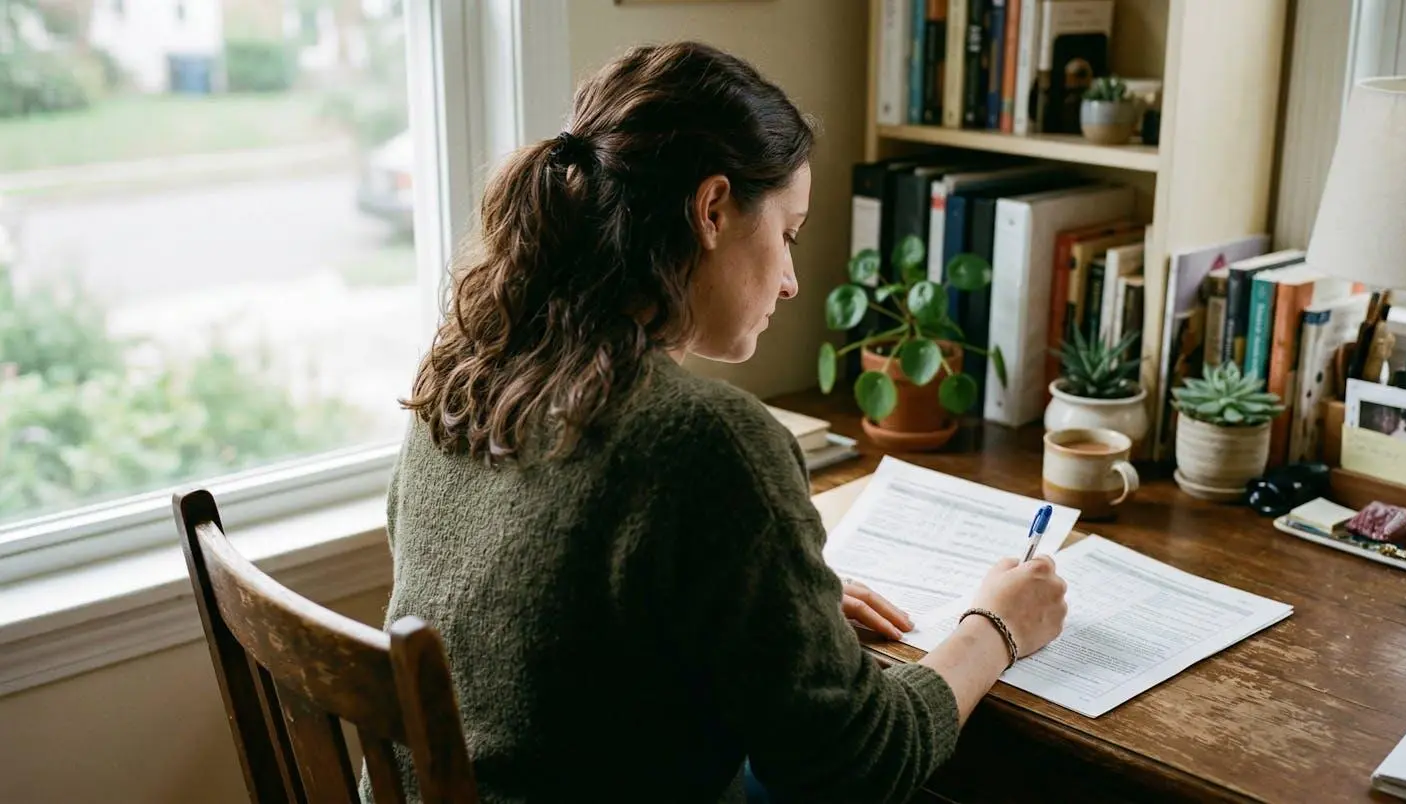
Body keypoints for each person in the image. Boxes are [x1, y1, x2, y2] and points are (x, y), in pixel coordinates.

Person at [366, 40, 1068, 804]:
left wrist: (767, 607)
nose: (795, 280)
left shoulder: (466, 370)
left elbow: (548, 611)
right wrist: (995, 627)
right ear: (712, 209)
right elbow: (858, 765)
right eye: (789, 233)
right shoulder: (704, 438)